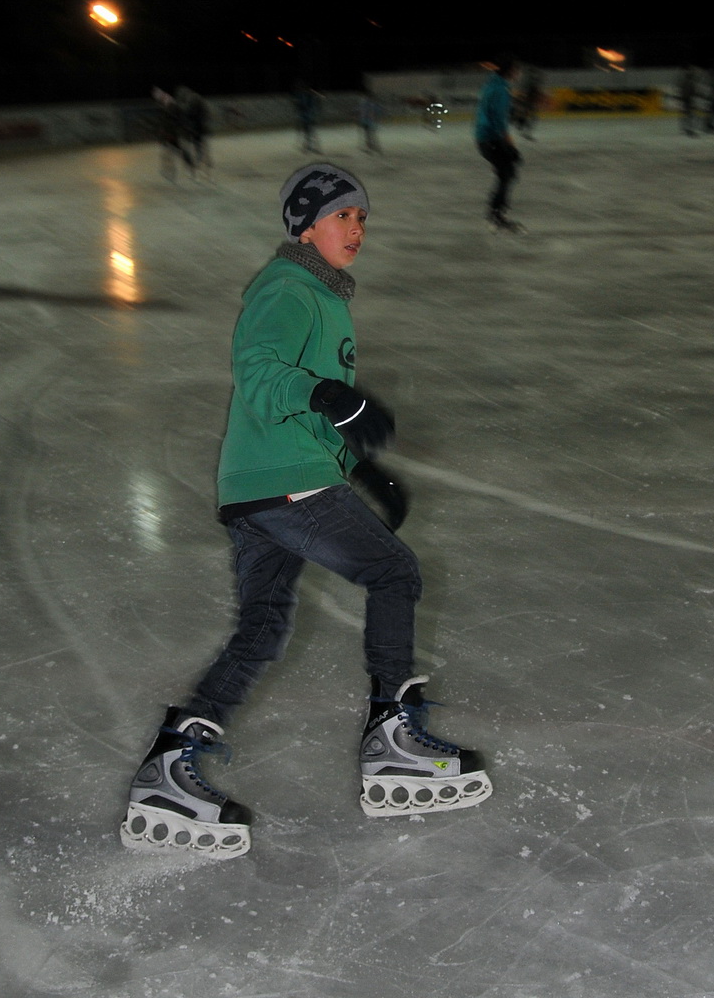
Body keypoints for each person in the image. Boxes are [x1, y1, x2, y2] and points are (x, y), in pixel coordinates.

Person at [121, 162, 492, 857]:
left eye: (361, 218)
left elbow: (311, 413)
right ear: (304, 224)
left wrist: (362, 466)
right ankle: (391, 738)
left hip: (263, 486)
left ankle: (169, 767)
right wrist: (331, 396)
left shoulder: (321, 296)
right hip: (284, 482)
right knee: (394, 575)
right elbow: (259, 372)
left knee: (261, 628)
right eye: (342, 215)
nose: (356, 228)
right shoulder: (288, 288)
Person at [474, 61, 523, 231]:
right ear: (510, 70)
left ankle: (495, 214)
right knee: (508, 172)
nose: (519, 73)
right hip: (491, 138)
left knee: (506, 172)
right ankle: (495, 216)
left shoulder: (491, 84)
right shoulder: (502, 89)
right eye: (517, 69)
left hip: (483, 138)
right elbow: (499, 121)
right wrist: (510, 145)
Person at [151, 86, 196, 181]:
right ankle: (170, 170)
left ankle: (189, 167)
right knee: (168, 153)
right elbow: (164, 122)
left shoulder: (172, 106)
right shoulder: (164, 105)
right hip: (169, 134)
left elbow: (175, 121)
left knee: (180, 152)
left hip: (174, 134)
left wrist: (172, 133)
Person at [175, 86, 212, 173]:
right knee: (199, 144)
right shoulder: (194, 99)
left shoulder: (192, 100)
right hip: (196, 126)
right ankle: (203, 161)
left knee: (196, 144)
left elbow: (190, 112)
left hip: (196, 127)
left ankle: (198, 161)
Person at [512, 66, 542, 139]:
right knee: (530, 117)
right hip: (528, 102)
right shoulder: (530, 82)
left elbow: (531, 92)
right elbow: (526, 92)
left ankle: (523, 128)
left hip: (529, 102)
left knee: (531, 117)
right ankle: (522, 127)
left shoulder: (531, 82)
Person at [294, 83, 320, 152]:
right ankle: (309, 145)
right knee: (308, 132)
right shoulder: (304, 96)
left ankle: (309, 145)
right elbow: (300, 106)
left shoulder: (307, 97)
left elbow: (302, 106)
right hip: (306, 116)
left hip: (308, 116)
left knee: (309, 132)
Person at [357, 88, 384, 153]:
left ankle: (371, 146)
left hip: (366, 121)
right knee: (370, 134)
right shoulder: (372, 103)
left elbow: (360, 111)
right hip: (369, 121)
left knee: (368, 134)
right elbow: (379, 111)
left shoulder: (364, 103)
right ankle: (373, 146)